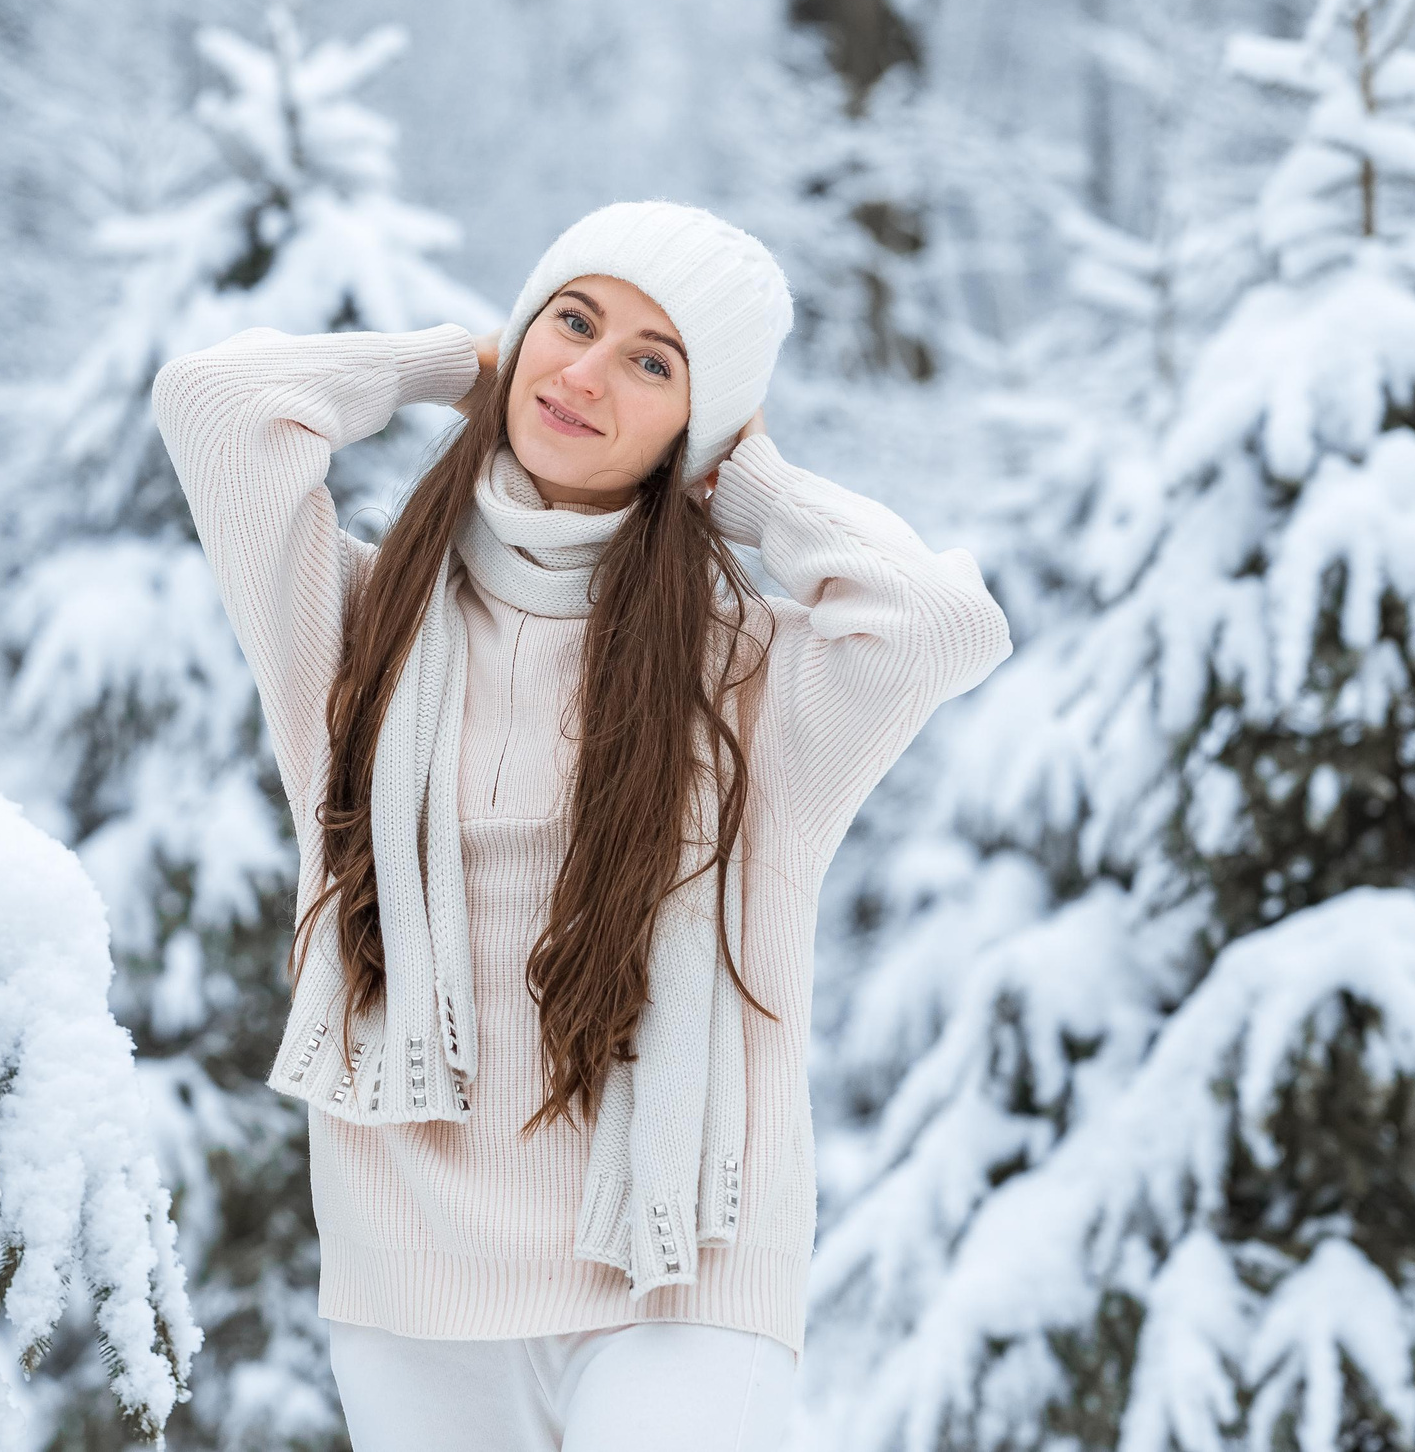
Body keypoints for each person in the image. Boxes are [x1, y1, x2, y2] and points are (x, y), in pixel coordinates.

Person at [151, 200, 1012, 1449]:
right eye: (573, 320)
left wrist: (753, 485)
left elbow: (936, 624)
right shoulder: (358, 620)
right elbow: (216, 405)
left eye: (653, 364)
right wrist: (454, 361)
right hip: (417, 1263)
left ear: (692, 427)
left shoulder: (750, 676)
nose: (586, 374)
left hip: (686, 1262)